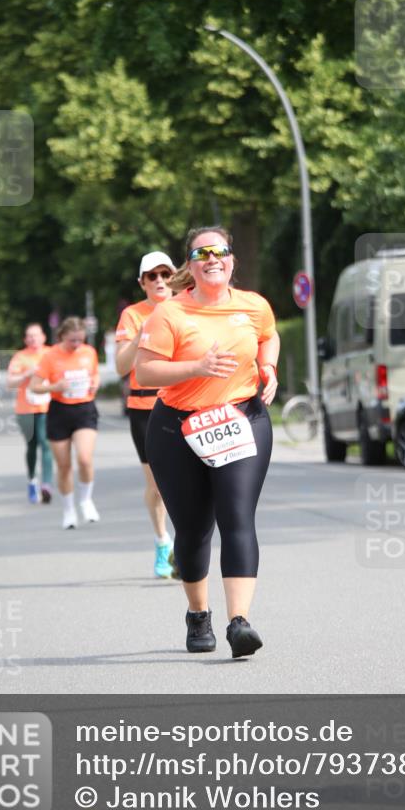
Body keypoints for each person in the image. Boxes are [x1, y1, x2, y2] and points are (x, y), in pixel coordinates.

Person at [136, 226, 280, 658]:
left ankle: (240, 622)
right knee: (194, 530)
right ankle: (198, 614)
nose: (212, 258)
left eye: (220, 251)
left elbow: (269, 335)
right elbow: (145, 372)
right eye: (202, 253)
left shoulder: (253, 305)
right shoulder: (170, 313)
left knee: (237, 516)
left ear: (232, 260)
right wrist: (197, 367)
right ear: (191, 265)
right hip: (177, 428)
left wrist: (268, 367)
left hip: (241, 418)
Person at [116, 251, 177, 579]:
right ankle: (162, 540)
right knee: (157, 484)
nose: (160, 281)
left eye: (165, 274)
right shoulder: (132, 315)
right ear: (142, 283)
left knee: (188, 479)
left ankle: (187, 540)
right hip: (144, 409)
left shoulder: (186, 308)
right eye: (152, 276)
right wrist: (145, 331)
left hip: (182, 403)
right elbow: (121, 366)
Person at [30, 317, 100, 529]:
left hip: (85, 409)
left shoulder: (89, 352)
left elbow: (95, 375)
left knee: (84, 459)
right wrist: (55, 387)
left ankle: (86, 500)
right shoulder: (50, 356)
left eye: (80, 340)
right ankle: (69, 510)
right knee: (64, 466)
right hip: (59, 411)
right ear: (61, 337)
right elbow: (35, 386)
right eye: (72, 340)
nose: (77, 344)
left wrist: (95, 384)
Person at [7, 324, 53, 504]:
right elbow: (10, 383)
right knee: (32, 445)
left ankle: (46, 485)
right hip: (25, 409)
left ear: (43, 337)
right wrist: (27, 373)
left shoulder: (51, 353)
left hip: (48, 407)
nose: (33, 339)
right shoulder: (20, 357)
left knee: (46, 443)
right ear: (25, 340)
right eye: (29, 336)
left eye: (36, 335)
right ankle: (32, 480)